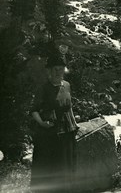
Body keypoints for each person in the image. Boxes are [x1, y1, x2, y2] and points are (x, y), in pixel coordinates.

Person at [30, 53, 78, 192]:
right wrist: (42, 123)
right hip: (49, 134)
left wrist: (74, 124)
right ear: (49, 71)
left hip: (67, 132)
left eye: (61, 69)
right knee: (51, 168)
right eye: (55, 69)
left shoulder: (67, 85)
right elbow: (34, 110)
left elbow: (69, 107)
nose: (58, 72)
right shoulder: (44, 88)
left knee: (67, 168)